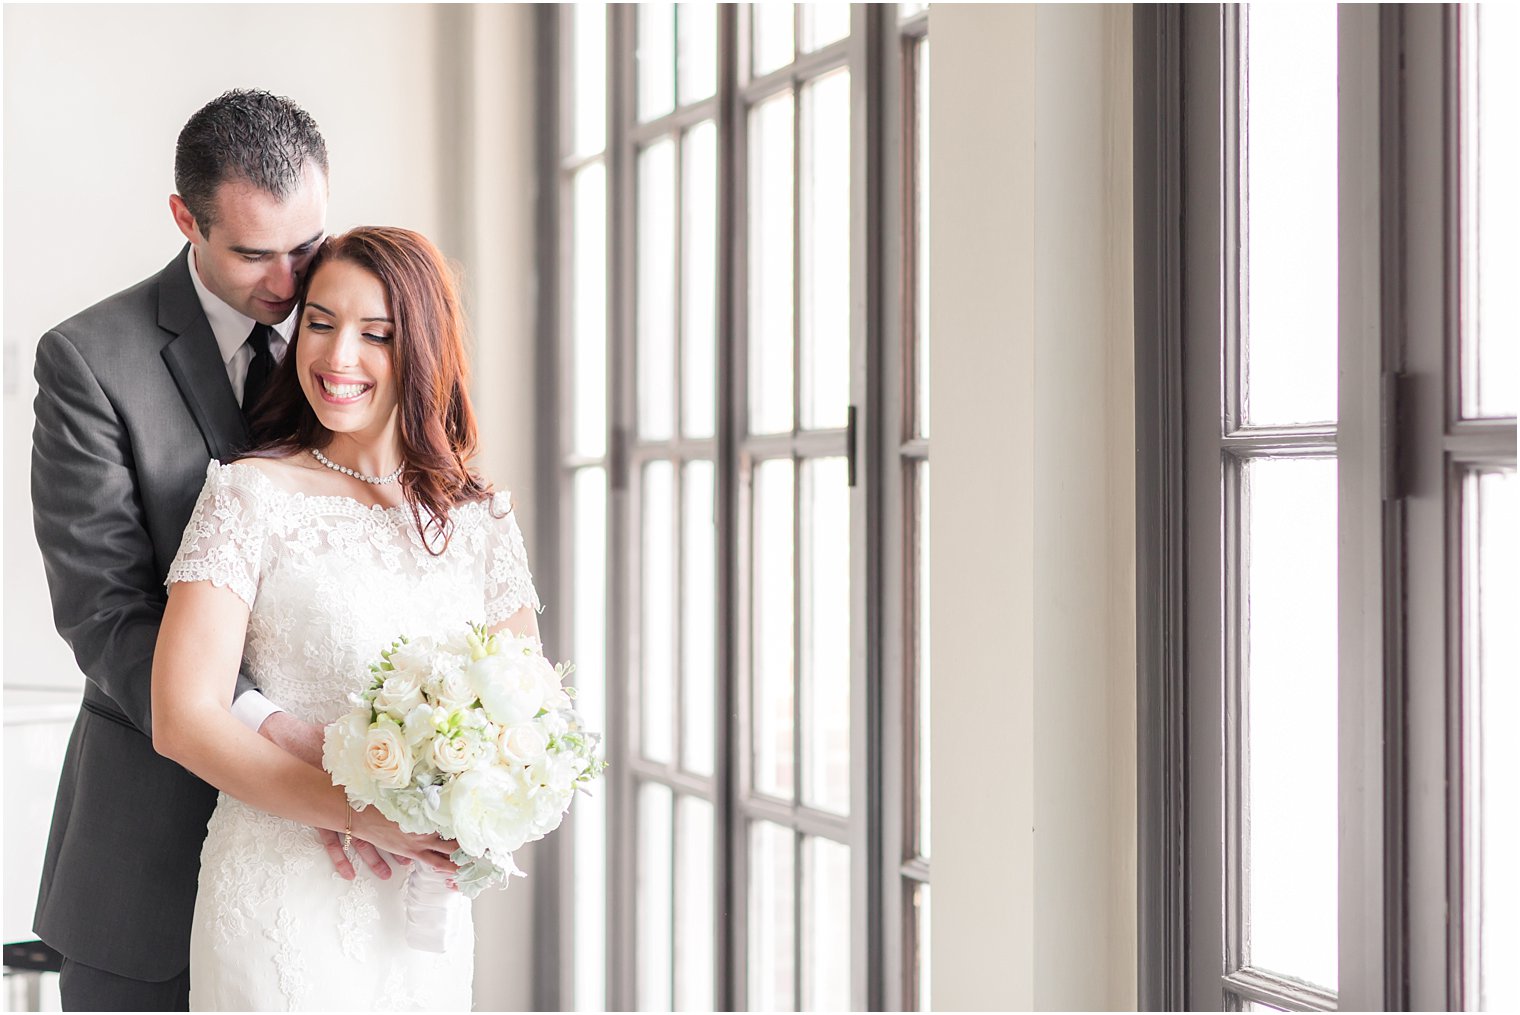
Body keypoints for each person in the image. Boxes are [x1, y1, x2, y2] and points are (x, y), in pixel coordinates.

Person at [30, 90, 392, 1011]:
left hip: (333, 874)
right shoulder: (90, 360)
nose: (288, 279)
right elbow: (104, 611)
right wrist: (262, 719)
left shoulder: (366, 351)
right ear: (186, 219)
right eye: (252, 252)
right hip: (146, 851)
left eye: (305, 246)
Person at [151, 226, 541, 1010]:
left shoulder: (480, 518)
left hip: (416, 918)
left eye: (376, 334)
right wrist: (363, 813)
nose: (337, 358)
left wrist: (477, 810)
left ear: (422, 347)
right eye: (321, 322)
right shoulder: (248, 496)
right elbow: (182, 716)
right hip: (279, 898)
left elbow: (530, 719)